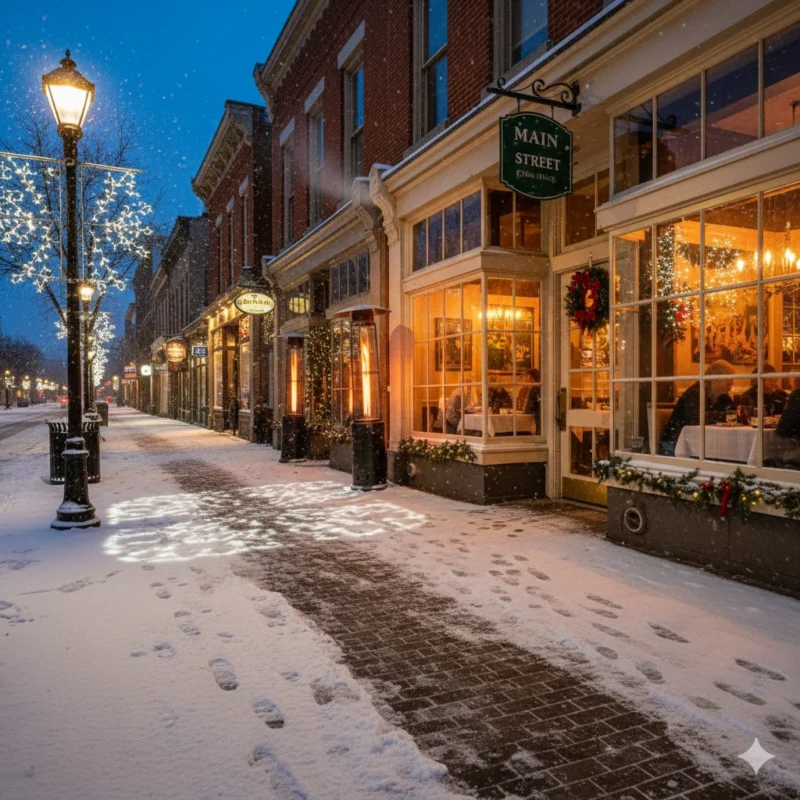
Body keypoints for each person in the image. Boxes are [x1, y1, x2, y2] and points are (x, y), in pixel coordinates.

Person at [660, 359, 735, 455]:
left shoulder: (722, 395)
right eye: (729, 382)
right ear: (716, 379)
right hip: (676, 442)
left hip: (699, 442)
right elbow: (696, 418)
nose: (732, 384)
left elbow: (733, 414)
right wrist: (724, 415)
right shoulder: (695, 393)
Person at [517, 368, 541, 434]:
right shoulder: (542, 388)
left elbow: (528, 410)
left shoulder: (533, 390)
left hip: (537, 422)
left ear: (533, 378)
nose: (528, 380)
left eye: (529, 377)